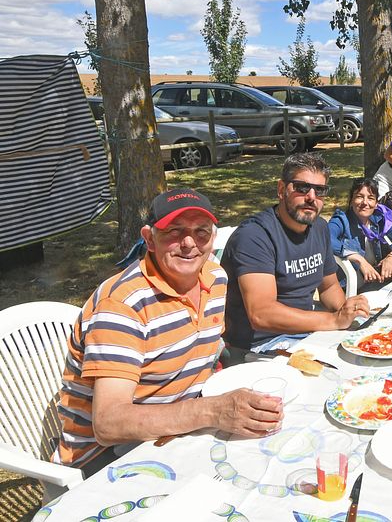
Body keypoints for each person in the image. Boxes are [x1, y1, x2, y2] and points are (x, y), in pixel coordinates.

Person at [56, 189, 283, 476]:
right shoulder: (123, 305)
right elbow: (108, 424)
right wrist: (213, 411)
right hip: (105, 459)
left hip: (178, 433)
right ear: (149, 239)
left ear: (213, 238)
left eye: (201, 232)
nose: (189, 243)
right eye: (174, 231)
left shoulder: (216, 279)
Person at [221, 153, 370, 353]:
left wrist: (348, 313)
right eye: (301, 187)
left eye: (320, 190)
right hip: (260, 346)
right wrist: (333, 320)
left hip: (306, 332)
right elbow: (261, 314)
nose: (311, 197)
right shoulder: (255, 236)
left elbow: (329, 286)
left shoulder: (319, 227)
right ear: (281, 189)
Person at [328, 178, 392, 292]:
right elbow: (325, 239)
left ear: (376, 204)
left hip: (378, 283)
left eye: (370, 198)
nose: (365, 203)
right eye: (359, 196)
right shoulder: (341, 220)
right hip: (350, 287)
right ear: (351, 200)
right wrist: (358, 259)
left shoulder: (381, 219)